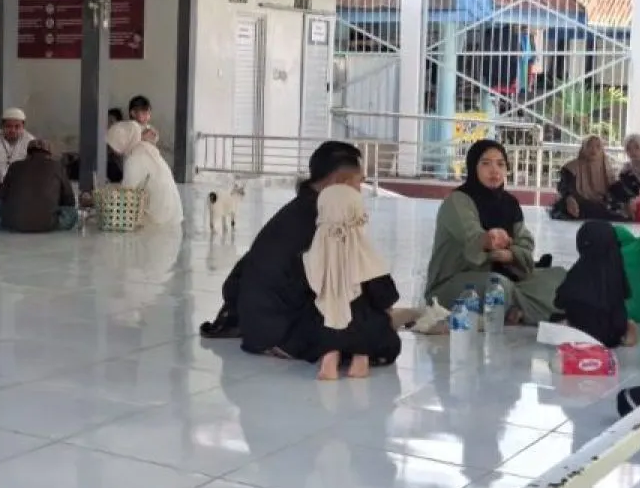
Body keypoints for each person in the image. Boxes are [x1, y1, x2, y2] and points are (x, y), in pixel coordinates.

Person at [201, 140, 363, 340]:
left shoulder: (302, 208)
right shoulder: (323, 218)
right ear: (340, 181)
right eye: (359, 182)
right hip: (274, 324)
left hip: (251, 310)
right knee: (376, 335)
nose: (360, 191)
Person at [426, 139, 566, 325]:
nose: (494, 170)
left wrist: (511, 254)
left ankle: (515, 309)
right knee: (498, 287)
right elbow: (472, 239)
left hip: (506, 275)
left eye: (500, 164)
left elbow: (524, 242)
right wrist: (488, 240)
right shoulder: (457, 201)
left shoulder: (509, 203)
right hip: (453, 281)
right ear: (473, 167)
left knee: (559, 277)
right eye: (486, 164)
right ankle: (527, 310)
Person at [301, 184, 402, 379]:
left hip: (319, 336)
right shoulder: (365, 256)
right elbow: (385, 297)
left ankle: (330, 355)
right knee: (377, 326)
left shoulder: (311, 257)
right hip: (362, 333)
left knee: (323, 314)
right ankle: (360, 357)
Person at [554, 221, 638, 349]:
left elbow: (559, 301)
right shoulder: (616, 269)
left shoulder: (579, 271)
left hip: (582, 330)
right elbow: (625, 294)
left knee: (558, 319)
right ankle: (625, 329)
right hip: (614, 331)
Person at [0, 139, 77, 233]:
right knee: (73, 212)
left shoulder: (15, 166)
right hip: (48, 224)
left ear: (28, 154)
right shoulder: (57, 166)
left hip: (13, 223)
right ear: (49, 154)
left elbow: (1, 195)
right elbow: (70, 201)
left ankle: (1, 223)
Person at [105, 120, 183, 227]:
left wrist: (102, 197)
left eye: (114, 145)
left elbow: (125, 194)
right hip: (173, 215)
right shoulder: (146, 149)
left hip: (159, 220)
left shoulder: (135, 159)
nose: (112, 150)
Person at [550, 135, 633, 221]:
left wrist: (629, 200)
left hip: (600, 203)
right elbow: (563, 186)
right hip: (577, 203)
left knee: (611, 210)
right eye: (589, 146)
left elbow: (616, 187)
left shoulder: (606, 168)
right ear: (583, 148)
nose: (593, 149)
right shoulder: (571, 167)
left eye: (598, 146)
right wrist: (569, 198)